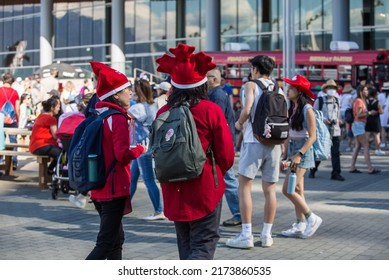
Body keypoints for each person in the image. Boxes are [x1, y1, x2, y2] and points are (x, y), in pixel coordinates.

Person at [155, 43, 234, 259]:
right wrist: (216, 173)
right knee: (203, 245)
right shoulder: (210, 110)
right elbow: (226, 155)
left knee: (186, 244)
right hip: (204, 186)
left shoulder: (163, 111)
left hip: (172, 187)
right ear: (201, 85)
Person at [85, 61, 146, 260]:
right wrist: (139, 149)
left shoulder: (99, 115)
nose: (131, 93)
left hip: (100, 185)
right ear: (116, 95)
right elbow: (122, 154)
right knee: (105, 244)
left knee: (115, 241)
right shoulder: (118, 118)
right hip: (113, 187)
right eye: (127, 90)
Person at [226, 55, 283, 249]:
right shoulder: (279, 88)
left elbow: (247, 109)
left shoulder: (251, 85)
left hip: (253, 140)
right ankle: (266, 235)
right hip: (274, 142)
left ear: (256, 69)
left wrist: (239, 123)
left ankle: (246, 234)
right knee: (270, 190)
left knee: (244, 187)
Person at [280, 74, 323, 239]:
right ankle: (300, 224)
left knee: (288, 189)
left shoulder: (307, 109)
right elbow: (289, 135)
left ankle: (312, 217)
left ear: (299, 91)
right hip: (292, 151)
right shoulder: (292, 108)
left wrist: (298, 155)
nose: (287, 89)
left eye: (291, 87)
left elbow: (312, 137)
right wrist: (285, 156)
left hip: (302, 152)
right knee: (298, 189)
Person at [206, 68, 241, 227]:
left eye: (206, 78)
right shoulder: (217, 94)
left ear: (213, 79)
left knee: (228, 178)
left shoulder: (216, 95)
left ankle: (239, 213)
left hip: (221, 143)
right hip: (222, 141)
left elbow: (215, 122)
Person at [128, 78, 165, 221]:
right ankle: (123, 206)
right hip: (149, 144)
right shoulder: (152, 106)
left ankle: (158, 210)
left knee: (148, 179)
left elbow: (124, 118)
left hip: (141, 147)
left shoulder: (137, 108)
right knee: (133, 178)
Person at [310, 79, 345, 181]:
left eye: (333, 88)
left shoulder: (337, 100)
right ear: (325, 89)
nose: (332, 90)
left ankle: (336, 173)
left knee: (335, 153)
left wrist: (339, 127)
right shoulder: (320, 100)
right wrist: (324, 120)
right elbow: (313, 114)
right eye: (330, 88)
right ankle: (313, 169)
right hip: (323, 131)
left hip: (335, 130)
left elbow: (338, 116)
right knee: (322, 152)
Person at [349, 85, 380, 174]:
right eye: (365, 90)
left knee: (358, 147)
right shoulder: (359, 101)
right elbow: (358, 115)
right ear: (361, 91)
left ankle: (352, 167)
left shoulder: (359, 101)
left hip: (358, 124)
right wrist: (370, 112)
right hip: (359, 124)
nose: (367, 91)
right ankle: (370, 168)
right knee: (366, 146)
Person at [29, 95, 62, 177]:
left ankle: (50, 171)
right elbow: (55, 135)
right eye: (57, 107)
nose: (59, 109)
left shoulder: (40, 116)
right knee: (62, 154)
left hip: (34, 146)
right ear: (52, 108)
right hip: (42, 145)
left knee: (59, 152)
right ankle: (51, 171)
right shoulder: (51, 119)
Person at [0, 72, 20, 169]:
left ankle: (0, 160)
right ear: (12, 81)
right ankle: (14, 161)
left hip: (1, 120)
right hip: (12, 119)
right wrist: (18, 120)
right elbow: (17, 109)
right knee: (13, 141)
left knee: (0, 141)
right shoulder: (15, 92)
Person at [365, 86, 385, 155]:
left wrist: (369, 112)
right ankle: (378, 149)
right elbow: (382, 111)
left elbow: (364, 111)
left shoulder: (366, 101)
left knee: (367, 135)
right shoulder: (377, 102)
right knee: (376, 135)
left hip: (367, 119)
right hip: (375, 120)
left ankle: (366, 148)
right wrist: (377, 111)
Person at [339, 84, 355, 152]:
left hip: (340, 111)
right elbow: (352, 105)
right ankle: (349, 143)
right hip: (347, 112)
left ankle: (340, 140)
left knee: (340, 128)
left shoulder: (341, 96)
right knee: (348, 127)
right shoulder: (350, 96)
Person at [378, 82, 389, 149]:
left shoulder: (380, 95)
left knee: (383, 129)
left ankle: (383, 142)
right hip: (388, 113)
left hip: (382, 113)